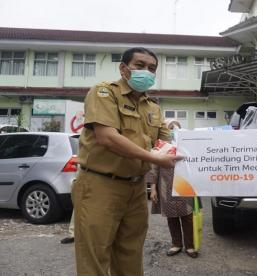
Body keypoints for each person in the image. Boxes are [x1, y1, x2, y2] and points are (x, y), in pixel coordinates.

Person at [71, 47, 182, 276]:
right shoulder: (104, 93)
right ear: (123, 68)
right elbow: (107, 138)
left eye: (152, 68)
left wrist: (206, 145)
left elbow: (168, 141)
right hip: (100, 185)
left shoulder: (153, 107)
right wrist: (154, 158)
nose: (146, 72)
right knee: (95, 256)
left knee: (130, 254)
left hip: (135, 188)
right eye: (139, 65)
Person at [148, 120, 198, 258]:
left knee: (187, 216)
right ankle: (176, 244)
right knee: (171, 216)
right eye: (169, 128)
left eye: (175, 128)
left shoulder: (186, 146)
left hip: (184, 184)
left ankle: (190, 246)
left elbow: (197, 163)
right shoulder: (160, 146)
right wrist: (153, 188)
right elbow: (154, 168)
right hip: (165, 185)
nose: (172, 131)